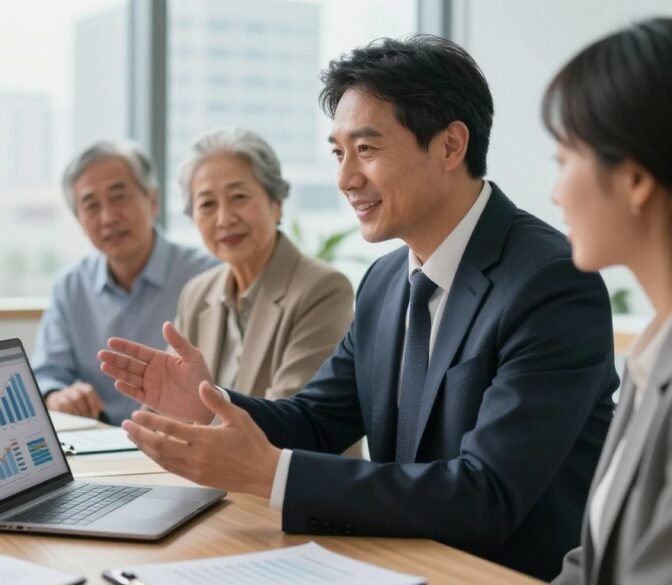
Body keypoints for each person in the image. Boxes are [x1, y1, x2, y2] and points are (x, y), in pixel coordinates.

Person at [98, 35, 618, 580]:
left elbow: (484, 494)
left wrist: (273, 474)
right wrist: (212, 404)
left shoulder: (550, 281)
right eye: (338, 153)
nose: (346, 179)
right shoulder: (385, 281)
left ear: (450, 146)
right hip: (397, 561)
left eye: (366, 150)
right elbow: (319, 419)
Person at [544, 18, 672, 585]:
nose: (556, 191)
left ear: (635, 180)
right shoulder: (651, 356)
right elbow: (591, 561)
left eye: (565, 159)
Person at [30, 140, 217, 423]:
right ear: (79, 221)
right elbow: (47, 375)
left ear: (152, 200)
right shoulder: (69, 287)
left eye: (119, 197)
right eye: (91, 206)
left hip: (183, 443)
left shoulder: (208, 277)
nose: (108, 218)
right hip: (95, 447)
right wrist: (57, 395)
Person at [174, 128, 353, 399]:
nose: (224, 219)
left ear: (277, 203)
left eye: (239, 197)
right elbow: (165, 404)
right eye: (207, 204)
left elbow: (292, 414)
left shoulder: (323, 289)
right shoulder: (196, 295)